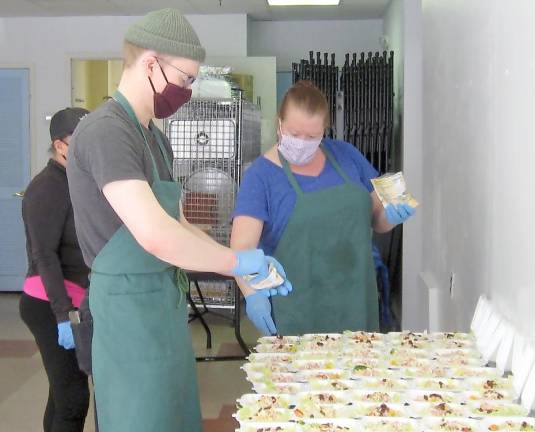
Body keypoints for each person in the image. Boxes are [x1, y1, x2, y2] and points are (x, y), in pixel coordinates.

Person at [66, 9, 289, 432]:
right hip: (128, 311)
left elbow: (182, 224)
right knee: (140, 419)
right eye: (186, 79)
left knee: (174, 416)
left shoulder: (155, 138)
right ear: (151, 63)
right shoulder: (107, 132)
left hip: (163, 306)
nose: (187, 90)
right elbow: (155, 234)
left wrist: (247, 273)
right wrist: (239, 264)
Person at [231, 81, 416, 336]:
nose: (302, 143)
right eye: (295, 134)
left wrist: (392, 216)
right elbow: (241, 250)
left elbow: (377, 219)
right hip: (297, 313)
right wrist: (252, 296)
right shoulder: (261, 177)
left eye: (312, 136)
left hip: (356, 306)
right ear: (279, 124)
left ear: (324, 131)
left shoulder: (347, 156)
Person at [19, 107, 91, 432]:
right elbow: (44, 256)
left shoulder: (80, 182)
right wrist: (63, 315)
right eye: (81, 140)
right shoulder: (46, 188)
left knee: (61, 396)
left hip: (77, 300)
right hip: (49, 304)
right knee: (73, 400)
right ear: (60, 145)